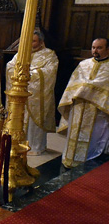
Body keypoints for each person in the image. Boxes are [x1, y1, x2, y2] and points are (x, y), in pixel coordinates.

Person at [57, 37, 109, 168]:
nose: (95, 50)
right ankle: (70, 159)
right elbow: (73, 84)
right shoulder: (83, 65)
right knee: (74, 135)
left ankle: (89, 162)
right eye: (93, 47)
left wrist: (85, 88)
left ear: (107, 49)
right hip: (78, 107)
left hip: (97, 109)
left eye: (99, 48)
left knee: (95, 137)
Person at [6, 30, 58, 156]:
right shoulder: (21, 54)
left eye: (33, 41)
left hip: (37, 95)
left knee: (35, 122)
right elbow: (10, 66)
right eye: (29, 41)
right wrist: (18, 73)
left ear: (41, 42)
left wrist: (30, 74)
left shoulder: (49, 55)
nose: (30, 44)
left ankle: (35, 146)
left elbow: (49, 72)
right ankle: (17, 144)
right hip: (20, 93)